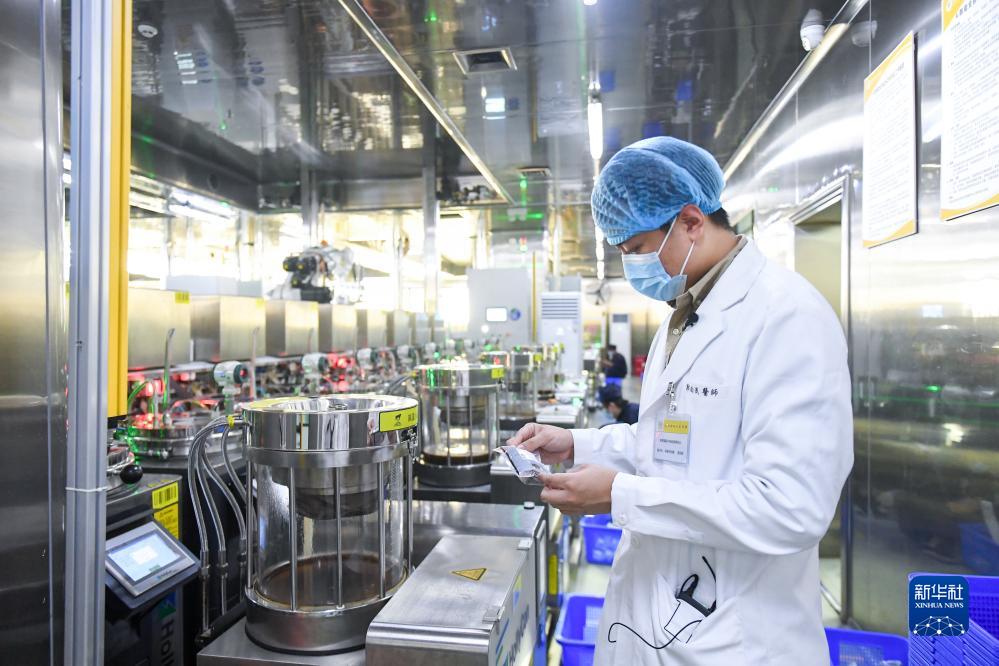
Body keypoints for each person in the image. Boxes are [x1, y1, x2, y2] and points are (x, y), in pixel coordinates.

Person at [508, 136, 852, 665]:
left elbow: (789, 506)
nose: (631, 266)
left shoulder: (787, 316)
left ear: (691, 221)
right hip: (656, 615)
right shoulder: (689, 309)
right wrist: (576, 443)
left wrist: (620, 495)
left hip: (735, 638)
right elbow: (673, 441)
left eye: (636, 249)